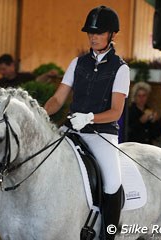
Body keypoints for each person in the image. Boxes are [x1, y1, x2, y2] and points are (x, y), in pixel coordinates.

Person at [44, 6, 130, 240]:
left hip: (102, 134)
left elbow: (115, 112)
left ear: (112, 35)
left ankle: (108, 234)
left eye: (99, 32)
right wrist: (40, 114)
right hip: (73, 130)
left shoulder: (120, 69)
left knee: (112, 183)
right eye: (90, 33)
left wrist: (90, 117)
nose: (93, 37)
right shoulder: (77, 63)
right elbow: (57, 99)